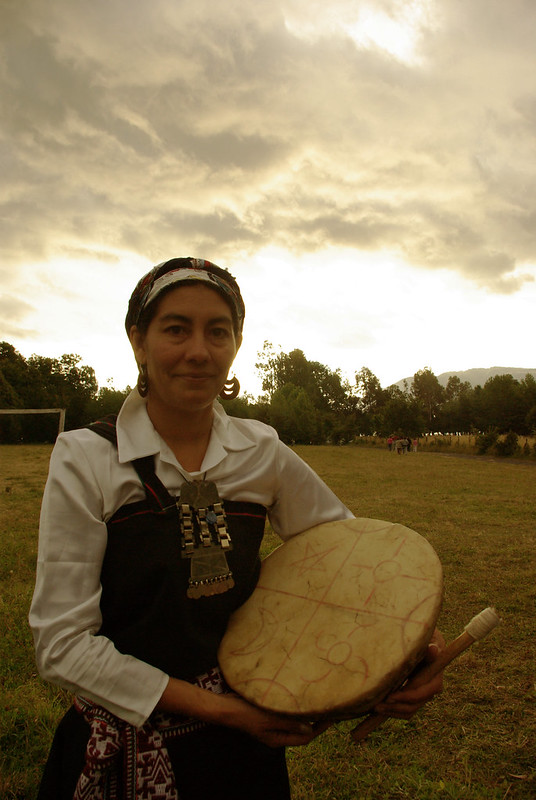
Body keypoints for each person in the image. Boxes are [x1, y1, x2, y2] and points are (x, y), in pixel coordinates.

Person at [29, 257, 444, 800]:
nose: (199, 351)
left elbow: (356, 561)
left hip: (245, 759)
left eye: (217, 331)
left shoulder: (260, 451)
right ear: (138, 340)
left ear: (236, 344)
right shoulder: (85, 458)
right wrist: (226, 711)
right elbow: (62, 645)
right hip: (125, 743)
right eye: (176, 328)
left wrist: (417, 652)